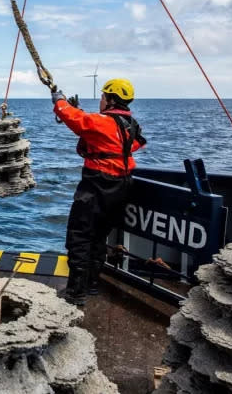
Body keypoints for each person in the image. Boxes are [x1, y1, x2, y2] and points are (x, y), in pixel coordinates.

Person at [51, 78, 146, 306]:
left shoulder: (102, 122)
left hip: (97, 185)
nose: (101, 99)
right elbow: (134, 143)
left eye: (103, 96)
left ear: (111, 99)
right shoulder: (130, 124)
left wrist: (60, 101)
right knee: (99, 236)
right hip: (122, 185)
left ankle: (75, 293)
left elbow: (78, 121)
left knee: (80, 237)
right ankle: (92, 285)